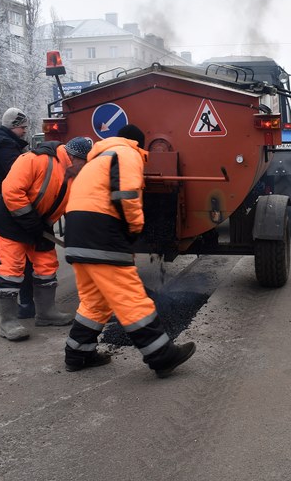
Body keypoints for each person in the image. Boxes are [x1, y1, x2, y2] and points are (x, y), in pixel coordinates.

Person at [62, 124, 195, 377]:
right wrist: (134, 229)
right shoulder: (127, 153)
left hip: (76, 232)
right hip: (101, 232)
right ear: (139, 144)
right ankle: (162, 356)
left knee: (94, 300)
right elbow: (127, 194)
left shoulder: (97, 159)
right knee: (130, 297)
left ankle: (78, 353)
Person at [0, 136, 94, 341]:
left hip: (39, 225)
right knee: (12, 268)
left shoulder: (73, 174)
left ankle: (46, 313)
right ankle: (7, 322)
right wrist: (30, 221)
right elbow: (12, 191)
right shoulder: (34, 159)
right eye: (85, 163)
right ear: (74, 157)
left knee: (46, 266)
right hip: (12, 222)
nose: (86, 168)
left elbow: (72, 205)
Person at [0, 108, 36, 317]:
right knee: (17, 261)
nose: (24, 132)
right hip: (8, 208)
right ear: (13, 127)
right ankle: (23, 305)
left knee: (6, 258)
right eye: (22, 128)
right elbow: (19, 177)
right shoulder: (6, 146)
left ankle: (16, 305)